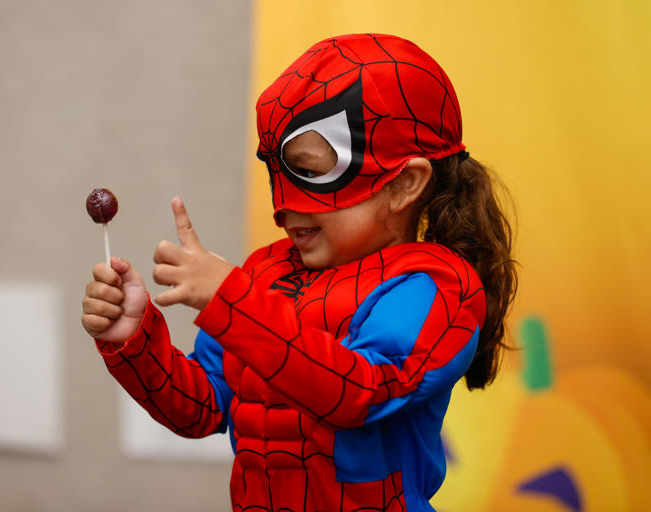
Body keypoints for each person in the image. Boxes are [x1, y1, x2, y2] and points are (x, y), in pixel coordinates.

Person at [81, 33, 517, 512]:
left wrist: (231, 301)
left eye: (309, 170)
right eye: (277, 172)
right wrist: (135, 340)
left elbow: (358, 393)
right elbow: (201, 408)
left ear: (404, 184)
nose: (284, 208)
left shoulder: (434, 287)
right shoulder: (264, 272)